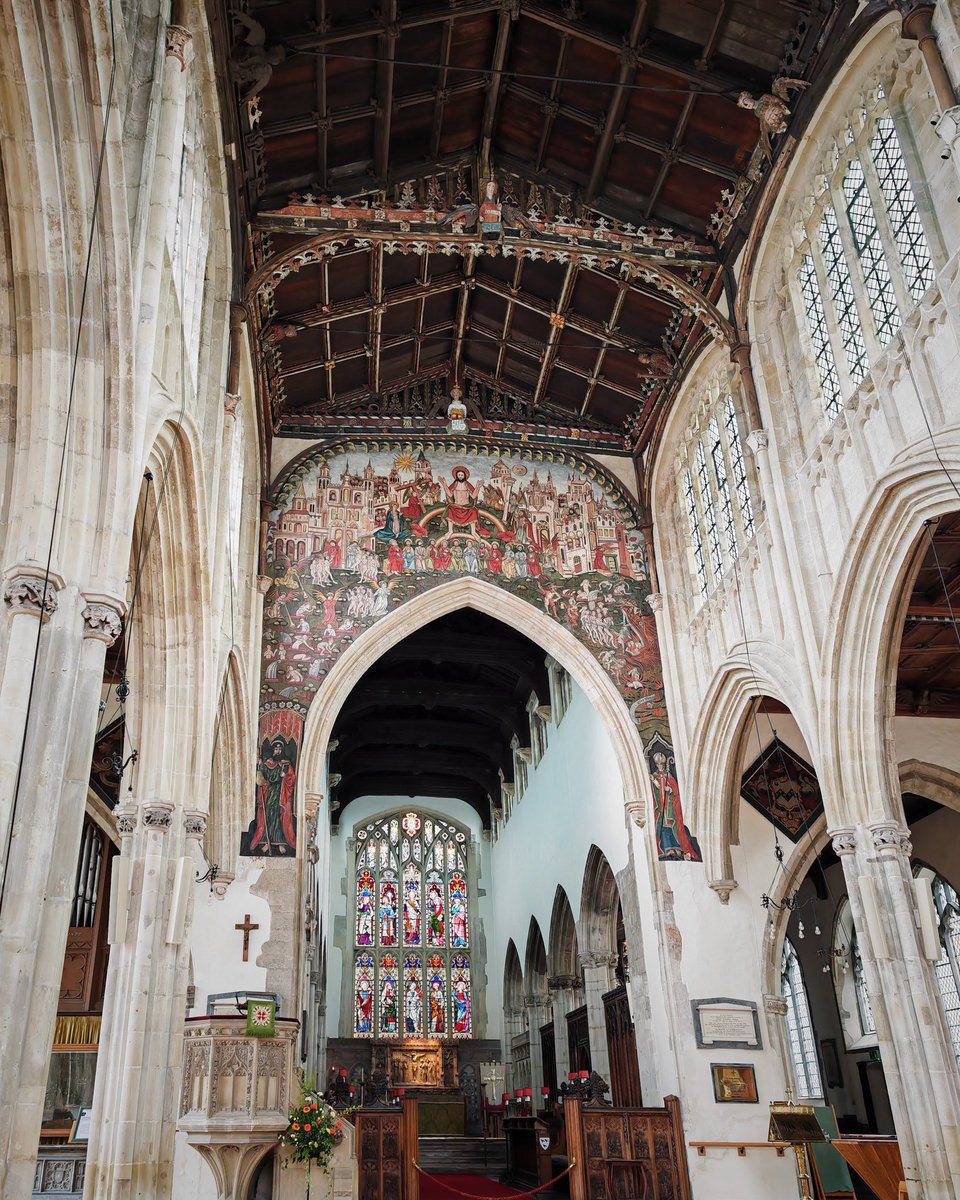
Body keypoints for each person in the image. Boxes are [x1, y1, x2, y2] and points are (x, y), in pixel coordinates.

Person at [247, 736, 297, 854]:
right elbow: (261, 777)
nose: (278, 751)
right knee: (268, 817)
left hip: (281, 795)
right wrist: (259, 767)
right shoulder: (267, 763)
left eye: (280, 749)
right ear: (273, 750)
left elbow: (292, 778)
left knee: (279, 817)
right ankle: (266, 842)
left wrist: (286, 777)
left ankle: (280, 842)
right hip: (269, 794)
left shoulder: (285, 764)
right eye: (276, 749)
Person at [650, 750, 700, 860]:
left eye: (662, 764)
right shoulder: (655, 776)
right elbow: (656, 789)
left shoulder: (669, 776)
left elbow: (676, 790)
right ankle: (668, 848)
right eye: (658, 764)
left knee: (673, 826)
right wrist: (655, 782)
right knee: (663, 827)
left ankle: (678, 848)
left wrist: (671, 789)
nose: (660, 766)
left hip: (670, 806)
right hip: (661, 806)